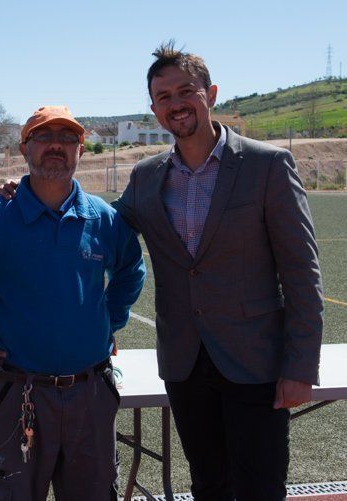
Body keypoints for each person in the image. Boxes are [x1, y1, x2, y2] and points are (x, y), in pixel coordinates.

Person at [113, 43, 323, 500]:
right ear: (153, 110)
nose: (175, 104)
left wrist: (301, 366)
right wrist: (24, 190)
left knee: (260, 488)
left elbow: (302, 272)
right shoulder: (146, 177)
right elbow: (100, 224)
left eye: (185, 90)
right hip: (185, 365)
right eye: (163, 97)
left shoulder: (267, 165)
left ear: (211, 93)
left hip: (256, 363)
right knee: (209, 486)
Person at [0, 106, 145, 500]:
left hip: (90, 394)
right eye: (44, 137)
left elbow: (131, 269)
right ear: (25, 148)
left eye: (66, 138)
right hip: (20, 395)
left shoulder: (103, 218)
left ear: (81, 148)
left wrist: (107, 323)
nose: (56, 146)